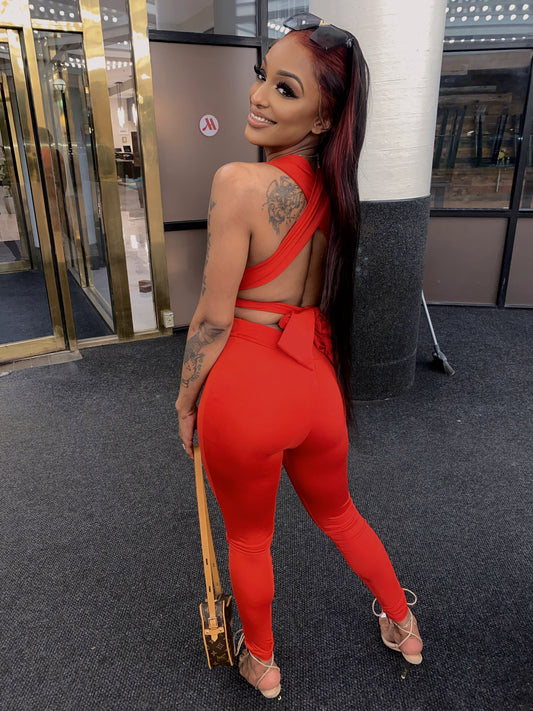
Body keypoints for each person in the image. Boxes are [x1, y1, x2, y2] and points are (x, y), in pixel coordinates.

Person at [176, 13, 423, 699]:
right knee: (341, 514)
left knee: (250, 540)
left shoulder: (239, 182)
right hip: (315, 383)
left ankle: (262, 662)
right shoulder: (338, 190)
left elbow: (213, 316)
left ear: (322, 118)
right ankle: (403, 623)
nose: (259, 96)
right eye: (263, 77)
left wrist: (185, 399)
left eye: (285, 89)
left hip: (247, 388)